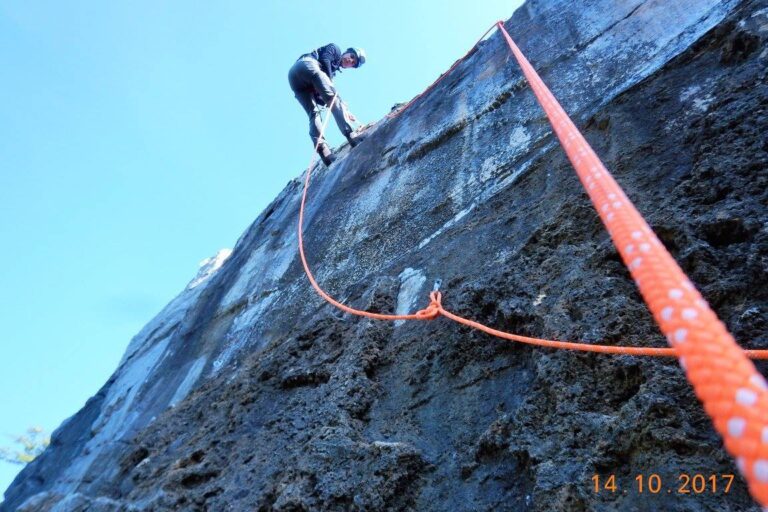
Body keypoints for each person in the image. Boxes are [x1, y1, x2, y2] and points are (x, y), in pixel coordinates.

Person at [288, 44, 366, 166]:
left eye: (353, 62)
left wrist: (343, 110)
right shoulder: (335, 49)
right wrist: (336, 97)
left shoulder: (331, 72)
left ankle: (324, 151)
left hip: (295, 80)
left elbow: (320, 98)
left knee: (314, 113)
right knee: (334, 99)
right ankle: (351, 135)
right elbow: (325, 60)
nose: (350, 60)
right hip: (307, 64)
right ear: (346, 52)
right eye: (351, 56)